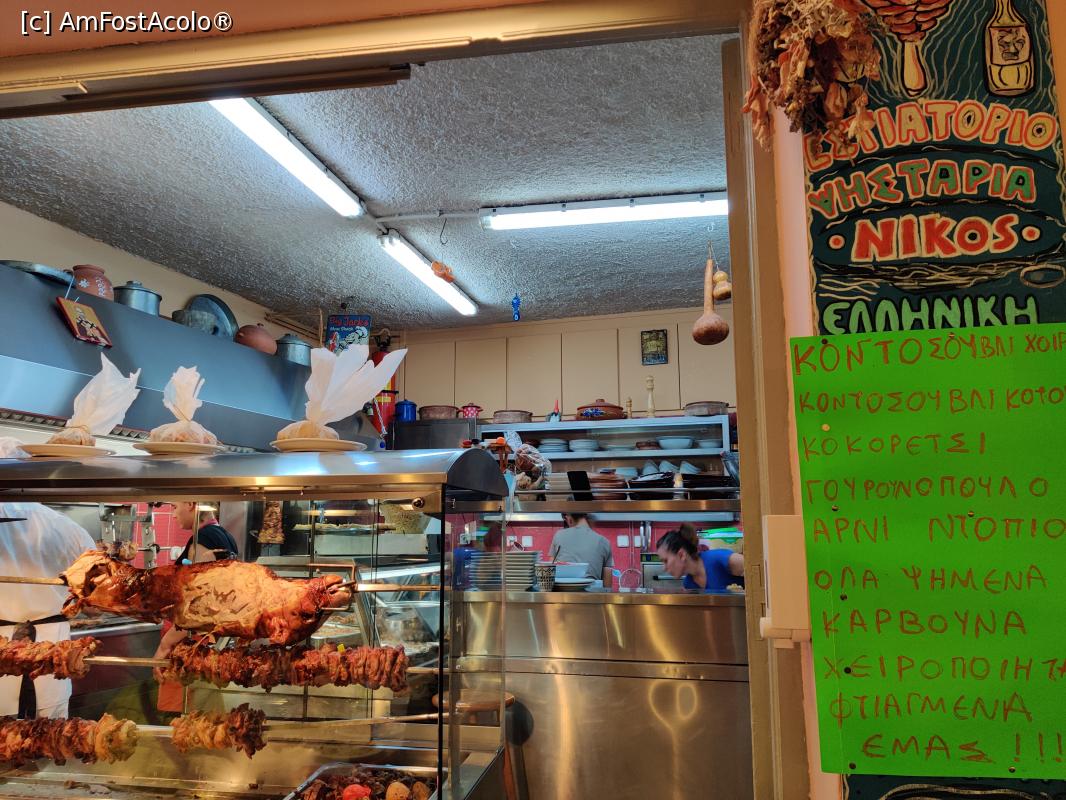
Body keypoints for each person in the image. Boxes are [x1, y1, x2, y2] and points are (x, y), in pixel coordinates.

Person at [0, 438, 96, 718]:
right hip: (52, 653)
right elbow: (94, 600)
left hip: (7, 652)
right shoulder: (67, 527)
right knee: (51, 734)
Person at [154, 501, 237, 712]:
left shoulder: (202, 540)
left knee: (187, 721)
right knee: (207, 717)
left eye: (175, 507)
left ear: (191, 504)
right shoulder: (225, 537)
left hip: (189, 647)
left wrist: (166, 644)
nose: (173, 514)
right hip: (205, 644)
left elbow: (200, 605)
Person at [656, 524, 744, 593]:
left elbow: (751, 565)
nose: (664, 568)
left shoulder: (719, 559)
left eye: (666, 561)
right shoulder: (689, 584)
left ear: (681, 555)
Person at [549, 513, 613, 584]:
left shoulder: (558, 535)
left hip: (562, 589)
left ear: (568, 518)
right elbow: (607, 584)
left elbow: (550, 570)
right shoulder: (604, 541)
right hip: (592, 589)